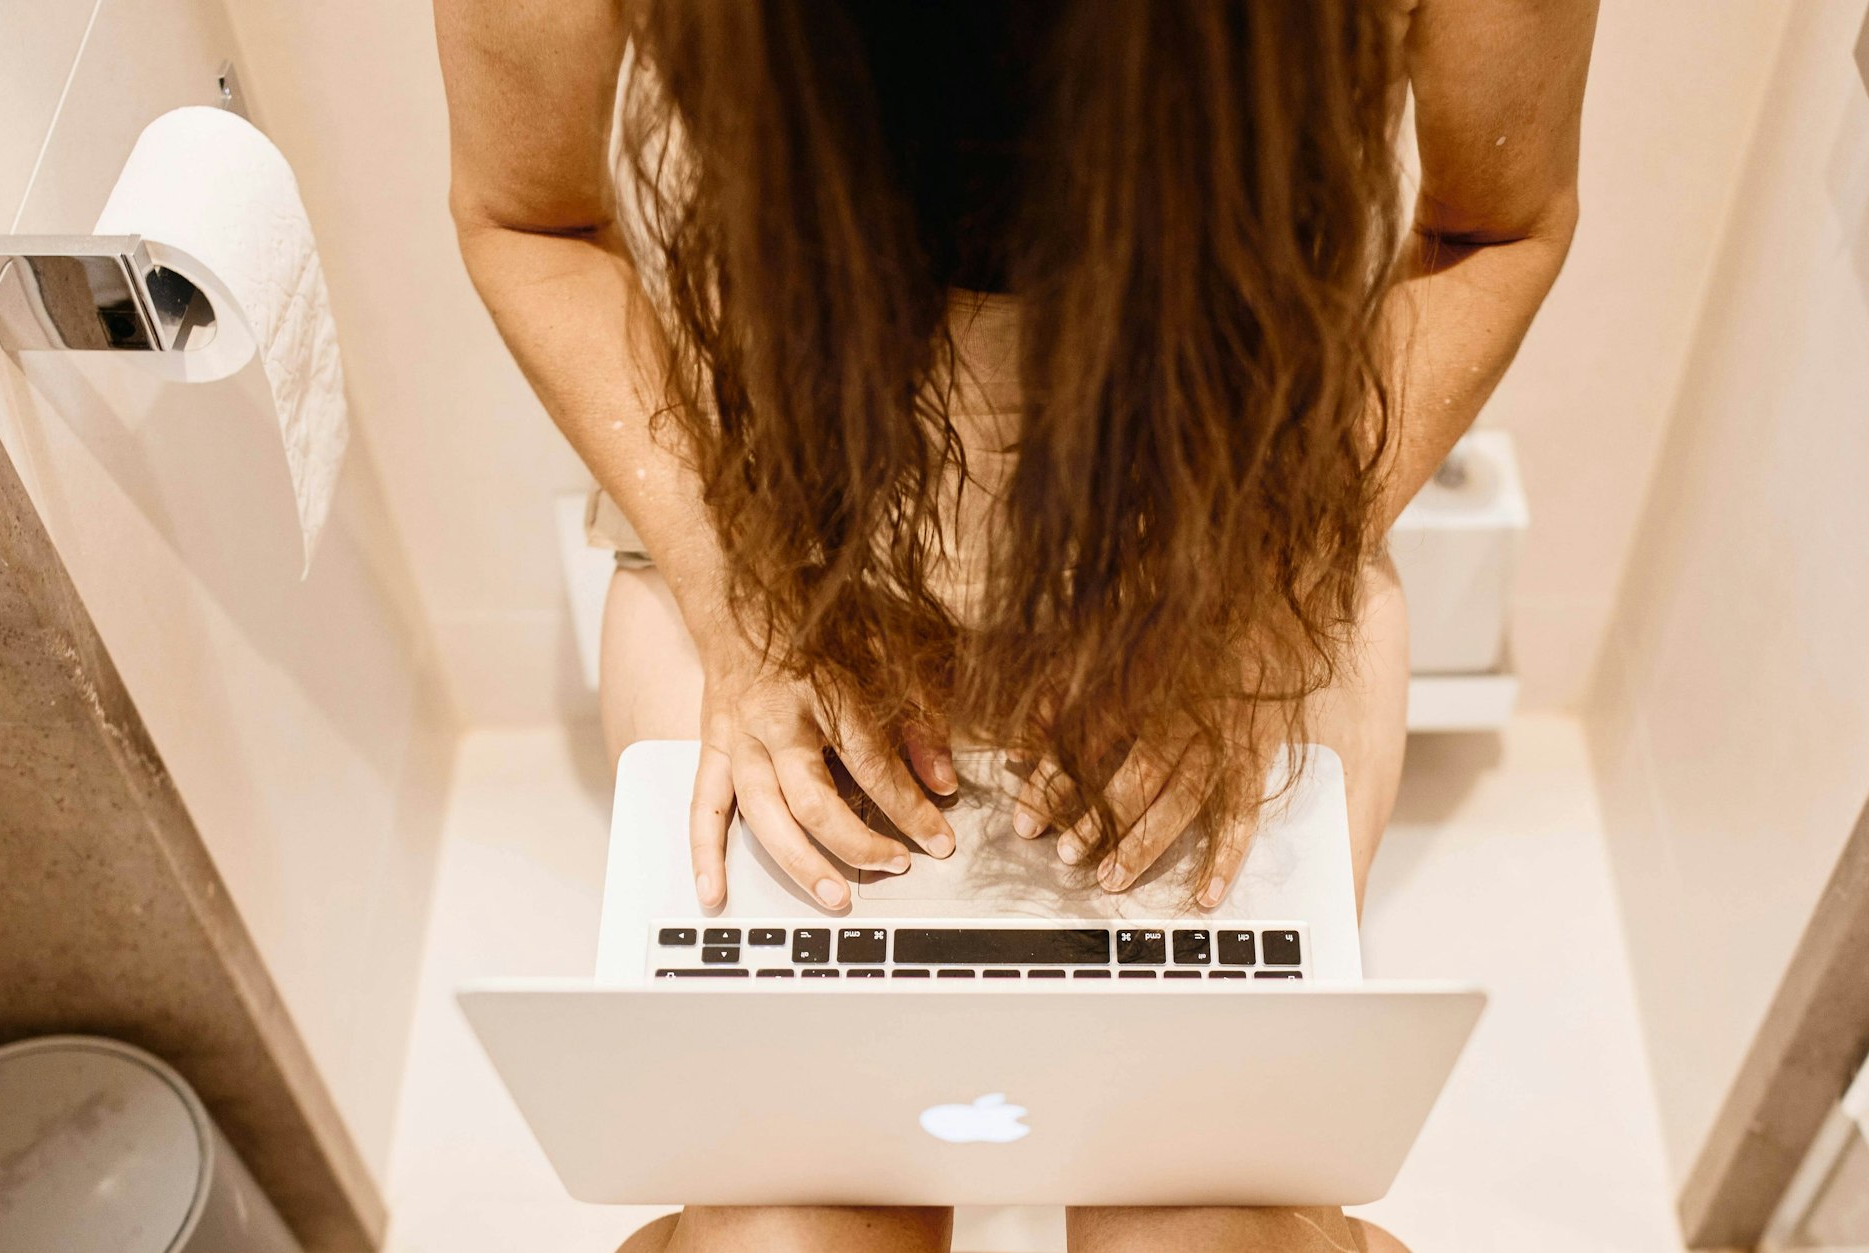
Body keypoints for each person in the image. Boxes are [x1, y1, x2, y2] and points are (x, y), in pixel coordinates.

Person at [435, 1, 1594, 1248]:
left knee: (1215, 1228)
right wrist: (742, 607)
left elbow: (1499, 227)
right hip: (776, 529)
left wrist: (1260, 601)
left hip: (1223, 532)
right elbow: (525, 216)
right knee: (774, 1228)